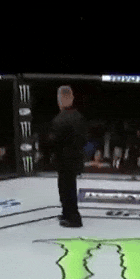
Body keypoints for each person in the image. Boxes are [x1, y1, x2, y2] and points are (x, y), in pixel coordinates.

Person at [49, 86, 87, 228]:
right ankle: (67, 213)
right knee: (68, 187)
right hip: (75, 158)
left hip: (64, 160)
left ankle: (73, 218)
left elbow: (54, 142)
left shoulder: (60, 119)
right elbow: (84, 139)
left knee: (66, 189)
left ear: (60, 100)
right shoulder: (79, 117)